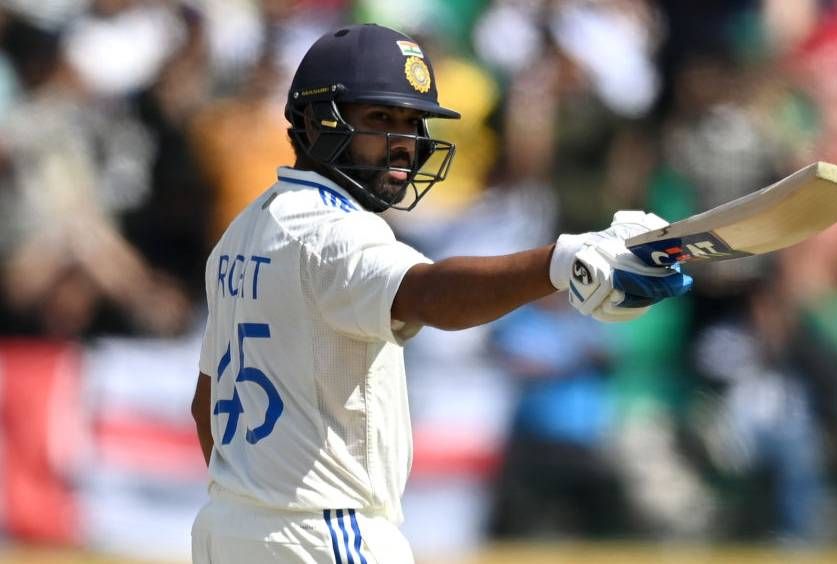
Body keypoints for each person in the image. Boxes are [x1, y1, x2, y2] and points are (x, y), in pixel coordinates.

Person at [189, 23, 691, 564]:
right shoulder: (335, 232)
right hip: (325, 533)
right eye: (380, 119)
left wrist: (255, 504)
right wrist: (560, 262)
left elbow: (205, 407)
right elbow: (429, 294)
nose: (403, 143)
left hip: (229, 527)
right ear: (315, 121)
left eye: (412, 122)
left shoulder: (244, 230)